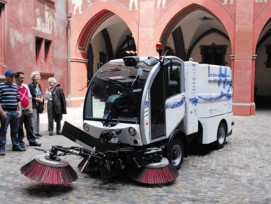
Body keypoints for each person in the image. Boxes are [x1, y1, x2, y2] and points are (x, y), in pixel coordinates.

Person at [0, 70, 25, 156]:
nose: (12, 78)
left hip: (15, 112)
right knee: (3, 131)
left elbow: (18, 100)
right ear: (6, 77)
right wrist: (2, 112)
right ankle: (1, 148)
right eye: (10, 77)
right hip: (5, 112)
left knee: (15, 131)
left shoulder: (15, 87)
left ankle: (16, 146)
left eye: (13, 77)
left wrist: (20, 111)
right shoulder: (1, 86)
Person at [15, 72, 41, 149]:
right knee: (20, 128)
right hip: (20, 111)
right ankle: (21, 142)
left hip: (27, 109)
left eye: (23, 77)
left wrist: (30, 108)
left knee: (29, 126)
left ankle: (32, 140)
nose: (23, 79)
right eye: (21, 78)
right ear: (16, 78)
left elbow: (29, 97)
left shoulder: (25, 86)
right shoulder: (14, 87)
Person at [28, 71, 43, 137]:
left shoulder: (39, 85)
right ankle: (33, 134)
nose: (38, 79)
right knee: (33, 119)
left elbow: (40, 93)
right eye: (36, 78)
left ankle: (37, 132)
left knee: (37, 118)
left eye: (38, 78)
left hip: (38, 104)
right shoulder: (30, 86)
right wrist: (37, 99)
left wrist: (42, 97)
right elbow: (29, 97)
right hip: (33, 104)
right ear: (33, 78)